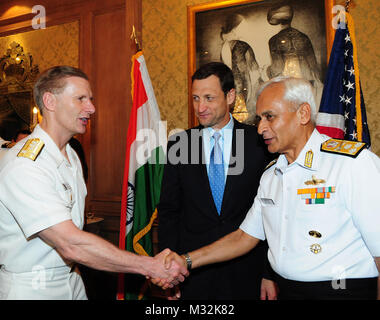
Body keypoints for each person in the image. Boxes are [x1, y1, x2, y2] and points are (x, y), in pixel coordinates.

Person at [161, 76, 380, 300]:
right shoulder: (271, 175)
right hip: (287, 292)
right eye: (259, 119)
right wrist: (186, 260)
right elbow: (243, 238)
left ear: (303, 114)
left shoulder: (351, 164)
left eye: (269, 117)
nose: (260, 128)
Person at [0, 66, 187, 300]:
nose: (92, 108)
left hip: (72, 280)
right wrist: (151, 267)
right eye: (80, 99)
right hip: (31, 289)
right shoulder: (25, 164)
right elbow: (71, 243)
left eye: (90, 99)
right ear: (50, 101)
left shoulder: (71, 156)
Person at [157, 62, 277, 300]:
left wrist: (269, 273)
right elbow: (170, 211)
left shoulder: (259, 142)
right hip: (193, 273)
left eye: (209, 98)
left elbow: (272, 215)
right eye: (195, 98)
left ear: (230, 96)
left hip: (248, 271)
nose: (200, 107)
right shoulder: (180, 144)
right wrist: (169, 271)